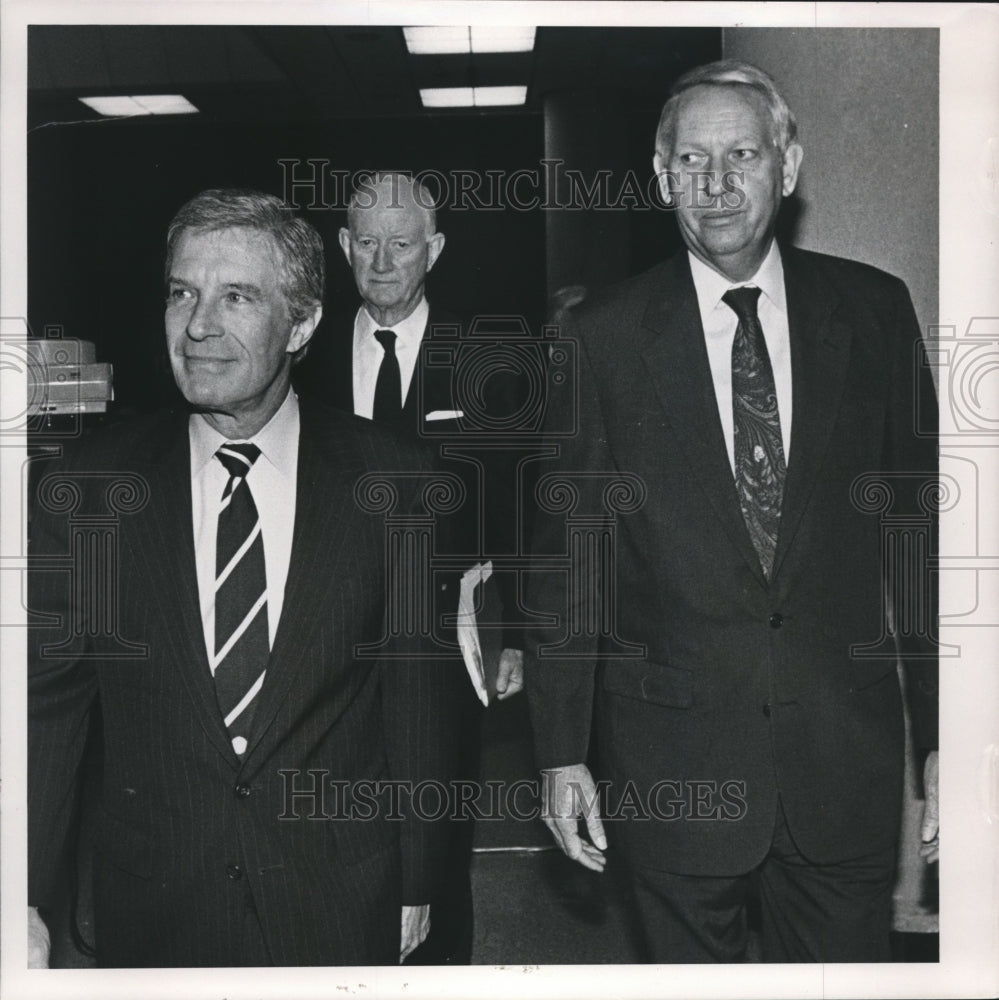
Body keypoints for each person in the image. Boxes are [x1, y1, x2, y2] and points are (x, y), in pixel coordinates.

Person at [526, 60, 940, 963]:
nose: (714, 185)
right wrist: (561, 752)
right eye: (690, 160)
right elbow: (571, 562)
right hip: (671, 767)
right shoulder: (600, 337)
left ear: (786, 169)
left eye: (741, 155)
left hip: (842, 764)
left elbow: (917, 539)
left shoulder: (872, 312)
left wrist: (948, 735)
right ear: (659, 176)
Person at [27, 189, 461, 967]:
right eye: (182, 292)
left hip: (338, 893)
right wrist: (21, 891)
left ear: (300, 323)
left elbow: (415, 697)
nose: (198, 325)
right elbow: (47, 707)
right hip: (155, 900)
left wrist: (417, 879)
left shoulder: (393, 480)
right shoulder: (89, 487)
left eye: (236, 296)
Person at [295, 171, 527, 964]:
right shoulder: (303, 357)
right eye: (366, 242)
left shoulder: (487, 360)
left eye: (401, 244)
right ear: (342, 248)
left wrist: (518, 637)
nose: (383, 260)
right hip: (320, 634)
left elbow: (517, 505)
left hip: (443, 639)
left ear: (433, 250)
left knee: (435, 836)